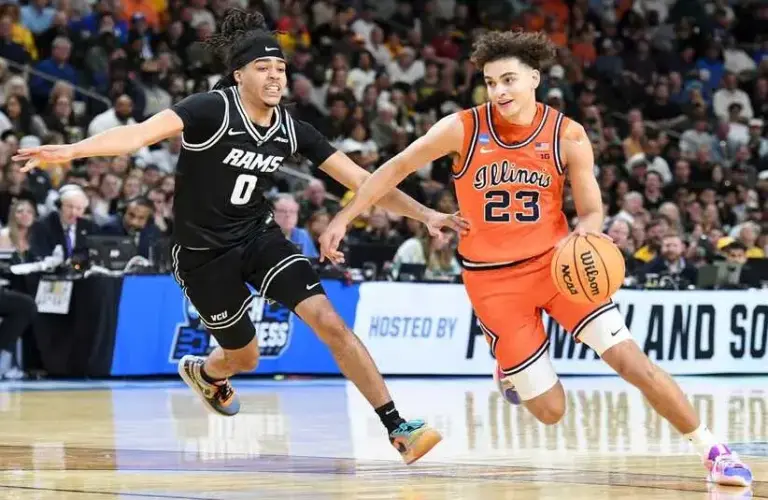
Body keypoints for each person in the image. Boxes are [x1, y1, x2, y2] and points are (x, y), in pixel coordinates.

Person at [13, 9, 469, 465]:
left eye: (280, 69)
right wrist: (72, 150)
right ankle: (206, 372)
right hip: (204, 255)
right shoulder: (212, 109)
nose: (275, 76)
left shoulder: (292, 128)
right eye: (263, 68)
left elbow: (364, 180)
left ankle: (398, 427)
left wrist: (425, 213)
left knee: (330, 322)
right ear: (239, 75)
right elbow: (138, 135)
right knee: (245, 357)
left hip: (259, 237)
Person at [318, 31, 752, 486]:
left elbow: (590, 211)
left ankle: (714, 450)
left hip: (556, 267)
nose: (499, 91)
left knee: (630, 360)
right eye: (490, 82)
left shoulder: (567, 134)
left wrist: (582, 237)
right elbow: (393, 169)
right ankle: (506, 363)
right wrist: (345, 217)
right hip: (493, 285)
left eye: (508, 80)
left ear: (534, 79)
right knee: (550, 411)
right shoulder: (462, 127)